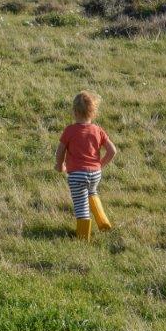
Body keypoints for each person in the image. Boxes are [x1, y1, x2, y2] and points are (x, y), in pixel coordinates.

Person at [54, 91, 118, 241]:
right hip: (95, 174)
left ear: (75, 111)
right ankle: (103, 221)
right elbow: (112, 151)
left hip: (77, 175)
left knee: (81, 205)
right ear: (93, 113)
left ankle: (83, 238)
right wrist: (100, 165)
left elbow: (60, 151)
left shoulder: (69, 130)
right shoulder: (98, 130)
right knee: (92, 193)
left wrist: (59, 165)